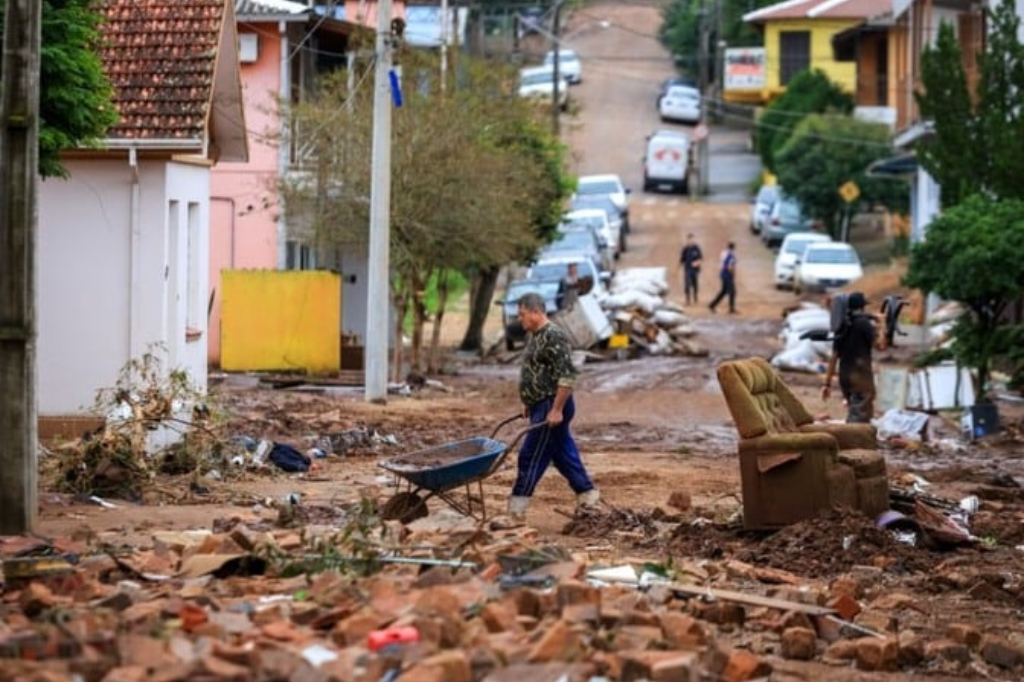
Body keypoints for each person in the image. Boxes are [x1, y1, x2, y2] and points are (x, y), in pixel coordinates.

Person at [507, 292, 600, 520]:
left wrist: (556, 409)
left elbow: (566, 376)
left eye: (523, 315)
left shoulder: (553, 336)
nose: (521, 320)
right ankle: (588, 498)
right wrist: (529, 401)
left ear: (536, 312)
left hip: (552, 404)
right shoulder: (536, 335)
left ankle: (516, 511)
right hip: (541, 404)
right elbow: (537, 372)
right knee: (562, 454)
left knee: (530, 456)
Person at [821, 292, 885, 423]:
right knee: (858, 419)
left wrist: (827, 384)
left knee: (857, 411)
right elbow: (880, 345)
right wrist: (882, 324)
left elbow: (834, 357)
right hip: (860, 377)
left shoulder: (842, 326)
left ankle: (857, 439)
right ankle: (852, 441)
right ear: (862, 307)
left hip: (845, 376)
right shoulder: (863, 324)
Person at [708, 241, 737, 314]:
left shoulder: (723, 253)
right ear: (733, 248)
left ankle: (712, 305)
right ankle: (731, 308)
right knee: (732, 292)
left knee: (723, 291)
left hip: (722, 274)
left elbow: (722, 263)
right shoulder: (732, 256)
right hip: (727, 275)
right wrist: (733, 274)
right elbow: (730, 267)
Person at [679, 233, 703, 305]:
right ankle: (688, 300)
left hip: (695, 270)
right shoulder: (685, 249)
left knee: (695, 284)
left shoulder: (696, 248)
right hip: (687, 269)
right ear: (687, 240)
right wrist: (678, 269)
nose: (690, 241)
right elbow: (682, 260)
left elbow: (700, 258)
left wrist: (697, 263)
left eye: (692, 239)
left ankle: (695, 296)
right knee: (687, 284)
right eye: (689, 239)